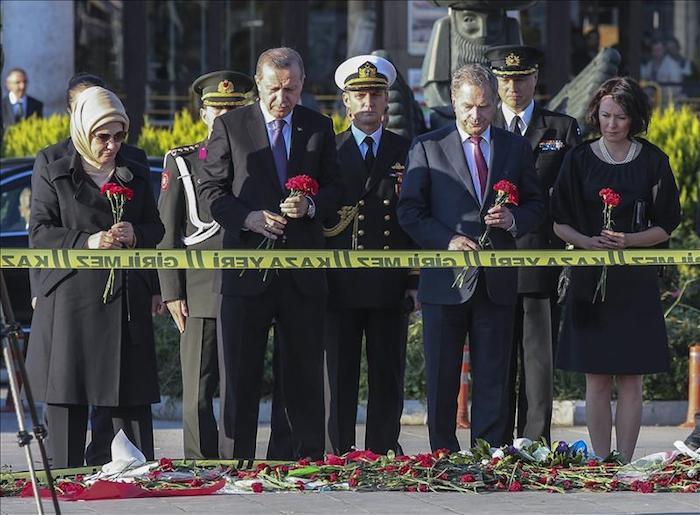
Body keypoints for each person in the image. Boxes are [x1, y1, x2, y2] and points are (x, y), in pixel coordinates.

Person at [198, 47, 342, 460]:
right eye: (275, 90)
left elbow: (335, 188)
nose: (283, 99)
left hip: (302, 272)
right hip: (246, 269)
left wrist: (311, 207)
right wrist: (249, 218)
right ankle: (236, 461)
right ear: (258, 84)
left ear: (302, 85)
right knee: (240, 375)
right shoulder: (230, 125)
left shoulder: (318, 126)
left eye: (292, 90)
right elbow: (212, 192)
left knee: (301, 374)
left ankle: (298, 458)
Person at [397, 64, 544, 451]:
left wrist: (514, 219)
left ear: (495, 103)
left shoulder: (514, 147)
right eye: (467, 107)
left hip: (496, 283)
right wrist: (447, 241)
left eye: (483, 107)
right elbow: (409, 212)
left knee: (494, 376)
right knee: (443, 378)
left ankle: (488, 453)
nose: (475, 115)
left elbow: (536, 205)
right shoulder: (427, 146)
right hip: (444, 282)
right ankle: (444, 453)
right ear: (453, 103)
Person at [26, 86, 165, 467]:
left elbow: (156, 228)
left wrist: (136, 233)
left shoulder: (134, 163)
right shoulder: (52, 162)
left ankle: (133, 476)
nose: (112, 145)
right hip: (71, 299)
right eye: (103, 136)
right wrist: (88, 242)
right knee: (68, 396)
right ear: (84, 129)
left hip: (125, 301)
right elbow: (39, 232)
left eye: (120, 136)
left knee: (129, 400)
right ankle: (66, 476)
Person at [552, 77, 681, 462]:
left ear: (634, 118)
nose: (611, 124)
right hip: (589, 278)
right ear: (596, 114)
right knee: (595, 377)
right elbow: (558, 220)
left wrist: (629, 241)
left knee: (631, 377)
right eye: (606, 115)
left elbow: (667, 224)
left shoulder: (654, 160)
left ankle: (624, 460)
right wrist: (585, 242)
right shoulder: (577, 158)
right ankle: (600, 459)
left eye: (621, 117)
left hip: (635, 281)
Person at [485, 45, 582, 444]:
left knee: (539, 362)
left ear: (535, 78)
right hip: (490, 259)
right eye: (505, 79)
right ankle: (494, 444)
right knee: (496, 360)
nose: (514, 87)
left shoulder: (560, 128)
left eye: (521, 77)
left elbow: (571, 195)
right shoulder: (480, 125)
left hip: (541, 257)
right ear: (495, 81)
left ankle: (534, 444)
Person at [324, 55, 417, 455]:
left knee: (387, 376)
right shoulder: (327, 148)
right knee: (338, 377)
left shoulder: (408, 150)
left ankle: (382, 452)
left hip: (389, 284)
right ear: (346, 101)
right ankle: (338, 452)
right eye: (359, 94)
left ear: (386, 101)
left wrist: (414, 282)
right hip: (338, 285)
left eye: (376, 94)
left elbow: (414, 220)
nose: (368, 102)